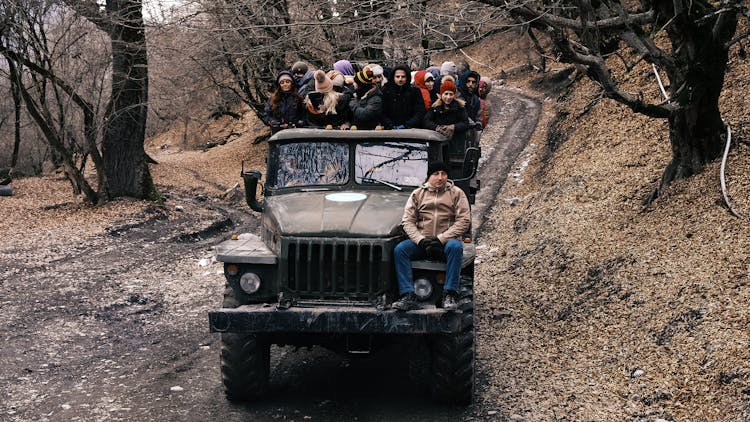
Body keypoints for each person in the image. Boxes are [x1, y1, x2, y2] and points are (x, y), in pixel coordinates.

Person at [392, 161, 471, 311]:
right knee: (400, 250)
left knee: (456, 247)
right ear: (429, 176)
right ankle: (407, 295)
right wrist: (420, 240)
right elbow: (407, 221)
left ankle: (450, 294)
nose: (440, 177)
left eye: (444, 174)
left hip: (445, 243)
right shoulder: (418, 194)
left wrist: (441, 239)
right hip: (423, 242)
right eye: (436, 174)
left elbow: (464, 221)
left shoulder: (457, 193)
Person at [423, 76, 469, 148]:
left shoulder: (460, 107)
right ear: (441, 94)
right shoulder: (435, 106)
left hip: (455, 143)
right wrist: (436, 128)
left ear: (454, 95)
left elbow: (465, 123)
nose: (448, 97)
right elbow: (426, 121)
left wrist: (453, 127)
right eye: (446, 94)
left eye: (451, 94)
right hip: (436, 142)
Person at [381, 65, 425, 129]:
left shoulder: (414, 91)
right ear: (393, 77)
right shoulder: (386, 91)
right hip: (389, 130)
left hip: (411, 130)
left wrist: (408, 125)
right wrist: (389, 125)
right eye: (397, 77)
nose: (400, 79)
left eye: (403, 77)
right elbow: (382, 112)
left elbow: (420, 111)